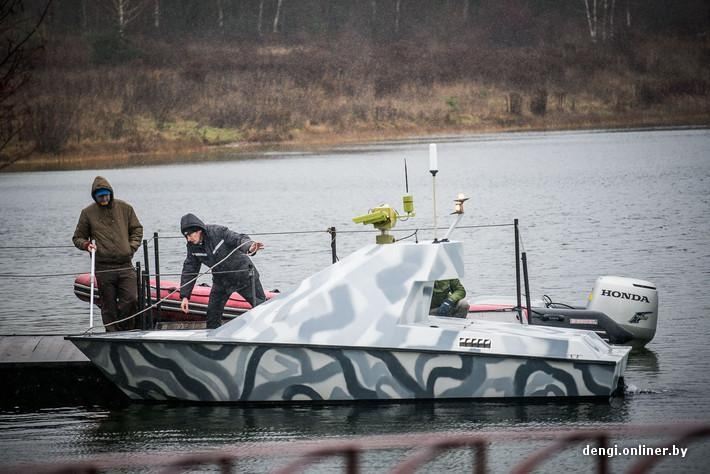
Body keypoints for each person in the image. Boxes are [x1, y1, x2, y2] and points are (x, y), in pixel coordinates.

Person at [73, 176, 143, 332]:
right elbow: (77, 237)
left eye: (106, 195)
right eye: (100, 196)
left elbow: (137, 229)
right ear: (95, 196)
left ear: (110, 193)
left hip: (125, 264)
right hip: (103, 267)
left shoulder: (125, 208)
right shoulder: (87, 213)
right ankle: (112, 333)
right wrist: (86, 245)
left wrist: (130, 248)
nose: (104, 199)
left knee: (131, 299)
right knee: (108, 305)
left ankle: (127, 331)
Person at [179, 213, 266, 329]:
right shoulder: (192, 246)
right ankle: (213, 343)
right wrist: (185, 296)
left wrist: (250, 247)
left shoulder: (218, 232)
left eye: (190, 235)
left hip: (244, 275)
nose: (188, 239)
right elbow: (190, 269)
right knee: (212, 314)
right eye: (186, 236)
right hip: (221, 281)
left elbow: (238, 239)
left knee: (262, 307)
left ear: (199, 231)